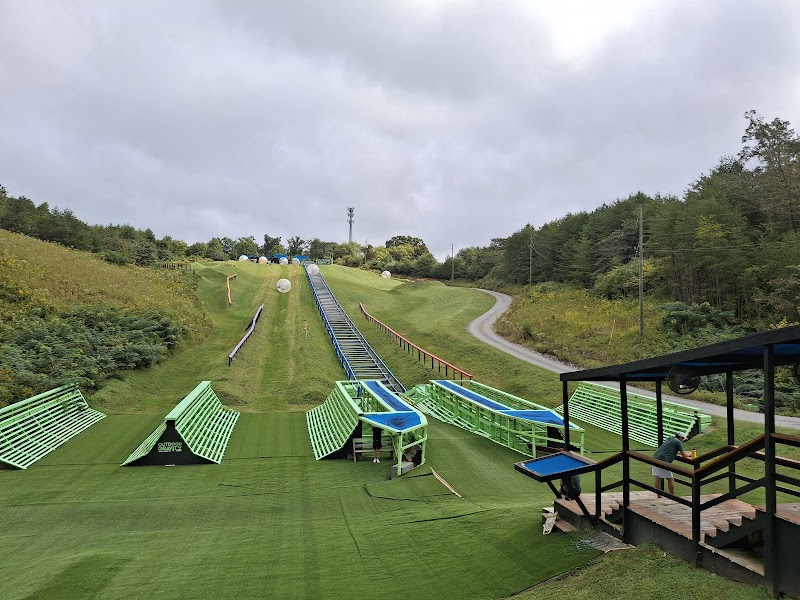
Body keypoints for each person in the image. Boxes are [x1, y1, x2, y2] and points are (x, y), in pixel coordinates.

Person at [652, 432, 692, 497]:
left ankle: (659, 495)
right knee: (670, 479)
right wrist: (690, 454)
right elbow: (684, 455)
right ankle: (672, 496)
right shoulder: (678, 442)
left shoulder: (669, 438)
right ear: (681, 438)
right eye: (683, 439)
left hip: (655, 458)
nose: (683, 441)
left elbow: (670, 450)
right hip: (663, 460)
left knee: (658, 477)